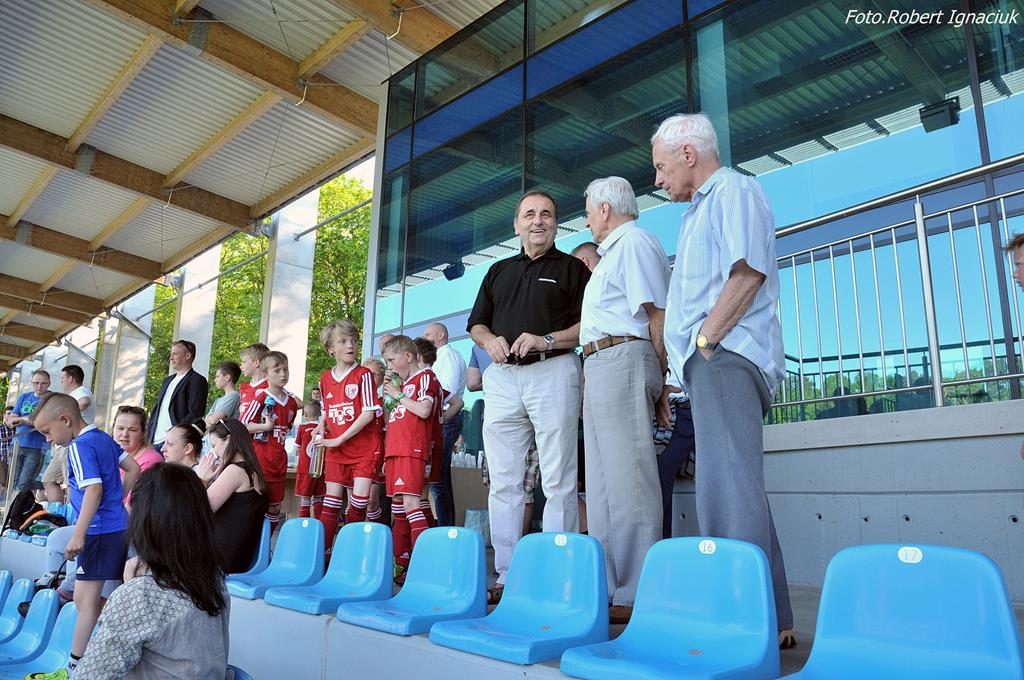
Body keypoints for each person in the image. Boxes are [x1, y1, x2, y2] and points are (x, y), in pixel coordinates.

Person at [654, 112, 795, 647]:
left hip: (726, 357)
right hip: (711, 363)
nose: (659, 178)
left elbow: (748, 271)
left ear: (688, 154)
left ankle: (743, 621)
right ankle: (772, 618)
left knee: (727, 492)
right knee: (737, 490)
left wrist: (705, 341)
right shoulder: (701, 208)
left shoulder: (733, 190)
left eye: (662, 166)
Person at [467, 190, 590, 600]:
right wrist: (489, 341)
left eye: (546, 214)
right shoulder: (498, 270)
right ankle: (507, 574)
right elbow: (477, 324)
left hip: (553, 370)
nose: (538, 221)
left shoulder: (573, 269)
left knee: (558, 478)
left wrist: (546, 339)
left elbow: (588, 325)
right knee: (503, 482)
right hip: (502, 378)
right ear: (517, 224)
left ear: (556, 223)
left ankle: (557, 574)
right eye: (530, 214)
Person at [578, 176, 671, 624]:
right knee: (601, 486)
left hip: (624, 357)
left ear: (604, 208)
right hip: (599, 362)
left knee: (630, 480)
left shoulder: (634, 242)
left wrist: (661, 381)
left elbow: (658, 315)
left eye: (588, 211)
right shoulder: (613, 252)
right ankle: (612, 586)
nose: (586, 220)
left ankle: (637, 590)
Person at [68, 464, 230, 679]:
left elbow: (90, 675)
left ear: (142, 522)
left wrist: (131, 588)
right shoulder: (214, 579)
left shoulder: (141, 594)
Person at [28, 392, 141, 680]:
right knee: (82, 598)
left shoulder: (79, 446)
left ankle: (74, 669)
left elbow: (93, 489)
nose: (49, 439)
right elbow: (134, 468)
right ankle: (125, 637)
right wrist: (114, 502)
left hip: (97, 531)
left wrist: (78, 534)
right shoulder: (102, 437)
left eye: (48, 431)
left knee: (86, 602)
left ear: (65, 420)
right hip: (110, 528)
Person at [313, 321, 381, 556]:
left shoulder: (364, 375)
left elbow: (369, 413)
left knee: (359, 504)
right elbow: (326, 410)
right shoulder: (324, 379)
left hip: (364, 450)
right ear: (331, 349)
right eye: (343, 341)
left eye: (353, 340)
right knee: (330, 504)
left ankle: (349, 555)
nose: (350, 345)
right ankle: (322, 556)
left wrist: (339, 439)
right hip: (336, 449)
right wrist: (321, 424)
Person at [381, 335, 434, 580]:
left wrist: (398, 394)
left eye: (392, 360)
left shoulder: (425, 377)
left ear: (408, 356)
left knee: (412, 504)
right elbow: (393, 419)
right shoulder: (402, 384)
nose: (389, 366)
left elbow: (424, 410)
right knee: (398, 507)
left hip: (411, 449)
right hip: (395, 450)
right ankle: (400, 563)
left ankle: (424, 567)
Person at [198, 419, 269, 574]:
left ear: (229, 439)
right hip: (239, 556)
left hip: (220, 558)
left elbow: (200, 512)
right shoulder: (253, 471)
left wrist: (202, 479)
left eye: (214, 445)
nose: (214, 453)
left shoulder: (235, 471)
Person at [240, 350, 300, 535]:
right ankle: (252, 544)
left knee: (275, 508)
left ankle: (266, 544)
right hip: (260, 461)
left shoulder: (291, 402)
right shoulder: (260, 397)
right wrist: (264, 427)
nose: (283, 374)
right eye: (277, 370)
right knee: (257, 504)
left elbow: (287, 427)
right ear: (265, 374)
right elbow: (242, 426)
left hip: (278, 462)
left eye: (286, 370)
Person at [423, 323, 466, 527]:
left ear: (440, 335)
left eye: (428, 334)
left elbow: (447, 390)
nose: (424, 337)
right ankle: (446, 526)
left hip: (446, 418)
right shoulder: (444, 357)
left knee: (437, 479)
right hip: (445, 418)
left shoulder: (447, 356)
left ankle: (444, 527)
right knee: (441, 479)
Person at [148, 340, 209, 452]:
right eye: (171, 354)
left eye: (175, 354)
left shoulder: (197, 380)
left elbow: (195, 413)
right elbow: (157, 410)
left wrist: (176, 433)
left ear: (187, 356)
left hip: (174, 443)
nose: (171, 358)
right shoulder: (167, 381)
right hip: (153, 441)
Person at [8, 369, 51, 493]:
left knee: (24, 483)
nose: (39, 386)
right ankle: (13, 504)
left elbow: (43, 421)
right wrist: (17, 420)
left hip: (37, 447)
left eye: (43, 383)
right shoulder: (24, 396)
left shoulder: (51, 399)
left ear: (49, 383)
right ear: (32, 383)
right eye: (36, 383)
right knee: (12, 481)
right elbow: (12, 418)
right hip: (17, 444)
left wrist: (22, 420)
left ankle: (21, 504)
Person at [113, 405, 164, 506]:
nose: (125, 434)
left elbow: (132, 505)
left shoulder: (151, 461)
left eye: (132, 430)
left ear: (142, 433)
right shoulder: (109, 454)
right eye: (120, 428)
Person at [361, 356, 389, 524]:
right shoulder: (355, 400)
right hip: (357, 454)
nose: (370, 377)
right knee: (357, 500)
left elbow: (389, 428)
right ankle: (358, 533)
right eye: (366, 373)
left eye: (374, 374)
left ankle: (374, 531)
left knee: (372, 501)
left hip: (376, 455)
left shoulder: (383, 402)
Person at [294, 401, 325, 519]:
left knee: (305, 499)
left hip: (305, 469)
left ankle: (304, 524)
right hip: (319, 468)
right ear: (320, 414)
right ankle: (319, 523)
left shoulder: (302, 427)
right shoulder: (323, 428)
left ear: (305, 414)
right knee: (318, 498)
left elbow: (297, 448)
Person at [237, 342, 270, 423]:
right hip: (242, 428)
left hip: (260, 430)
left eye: (244, 362)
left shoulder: (270, 386)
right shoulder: (243, 387)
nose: (241, 366)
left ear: (256, 363)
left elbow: (297, 403)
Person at [204, 361, 241, 429]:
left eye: (217, 376)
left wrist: (210, 418)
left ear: (227, 377)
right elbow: (206, 425)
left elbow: (213, 420)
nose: (215, 380)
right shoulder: (218, 400)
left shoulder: (234, 396)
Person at [0, 406, 15, 494]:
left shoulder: (18, 429)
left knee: (13, 487)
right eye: (8, 413)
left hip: (16, 461)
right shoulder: (0, 428)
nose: (10, 416)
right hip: (2, 461)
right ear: (4, 415)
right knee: (2, 486)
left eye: (12, 414)